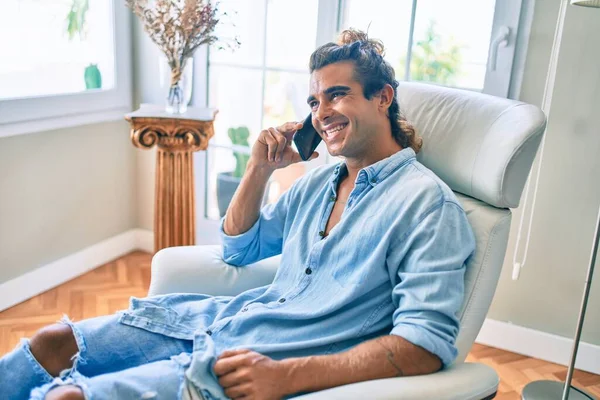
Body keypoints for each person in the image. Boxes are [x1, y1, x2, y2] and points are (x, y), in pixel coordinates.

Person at [0, 29, 475, 400]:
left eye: (337, 95)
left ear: (383, 98)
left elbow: (424, 344)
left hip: (254, 362)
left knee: (66, 396)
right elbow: (238, 248)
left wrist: (285, 377)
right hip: (207, 322)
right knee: (51, 341)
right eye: (314, 101)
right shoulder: (318, 183)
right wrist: (258, 170)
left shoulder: (426, 205)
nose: (321, 112)